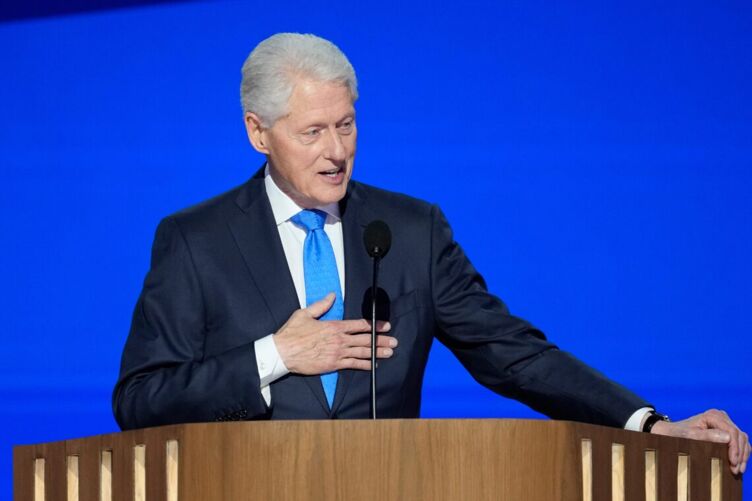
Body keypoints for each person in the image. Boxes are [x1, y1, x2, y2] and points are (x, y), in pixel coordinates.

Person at [113, 33, 748, 474]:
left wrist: (647, 424)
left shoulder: (411, 230)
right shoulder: (196, 240)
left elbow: (514, 354)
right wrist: (277, 356)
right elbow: (140, 401)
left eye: (347, 124)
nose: (336, 151)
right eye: (312, 132)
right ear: (257, 132)